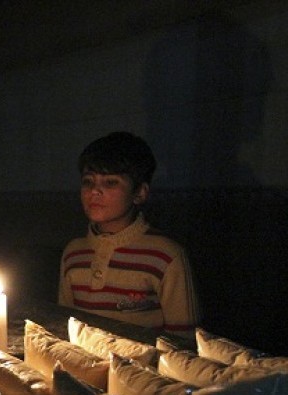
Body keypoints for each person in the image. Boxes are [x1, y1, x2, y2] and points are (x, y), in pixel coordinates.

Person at [58, 131, 200, 338]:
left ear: (139, 193)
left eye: (110, 182)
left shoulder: (165, 256)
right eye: (88, 181)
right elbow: (65, 325)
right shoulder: (74, 253)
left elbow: (185, 341)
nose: (95, 191)